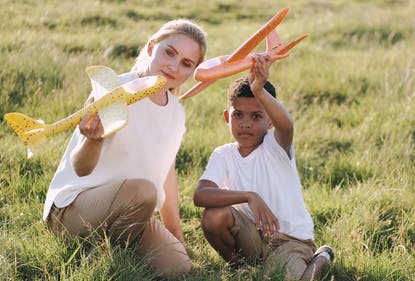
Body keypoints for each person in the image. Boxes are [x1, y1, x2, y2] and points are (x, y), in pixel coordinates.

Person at [43, 19, 207, 278]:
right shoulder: (114, 90)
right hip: (74, 208)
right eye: (170, 52)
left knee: (178, 268)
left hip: (130, 212)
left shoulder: (176, 114)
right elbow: (81, 168)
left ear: (193, 71)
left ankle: (110, 249)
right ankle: (106, 260)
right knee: (142, 190)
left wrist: (176, 235)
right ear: (152, 47)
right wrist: (93, 140)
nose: (174, 66)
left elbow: (167, 174)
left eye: (187, 63)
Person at [193, 53, 334, 280]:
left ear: (270, 121)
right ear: (227, 118)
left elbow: (286, 126)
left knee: (284, 278)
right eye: (238, 115)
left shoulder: (275, 146)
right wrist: (250, 196)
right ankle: (239, 267)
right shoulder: (224, 154)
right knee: (214, 216)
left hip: (291, 241)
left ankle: (321, 257)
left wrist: (259, 89)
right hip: (253, 237)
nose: (246, 123)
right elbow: (200, 196)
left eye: (256, 116)